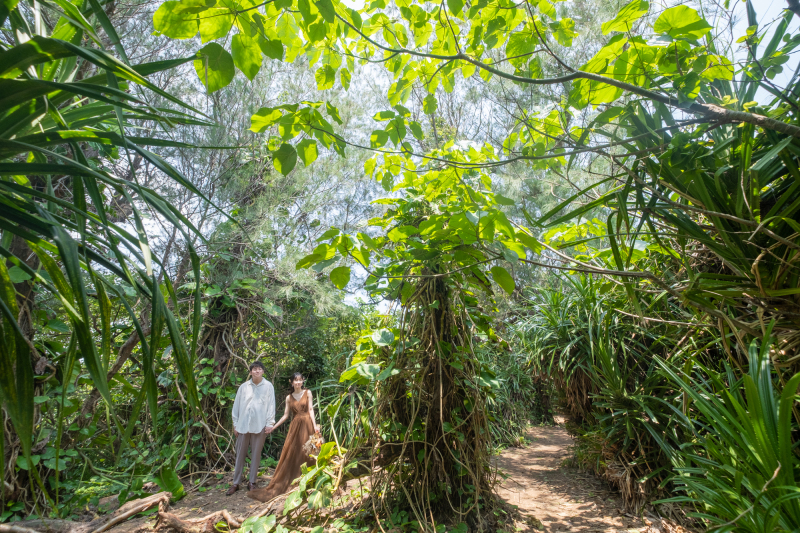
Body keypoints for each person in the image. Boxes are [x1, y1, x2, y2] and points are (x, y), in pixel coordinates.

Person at [247, 372, 319, 502]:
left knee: (310, 452)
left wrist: (315, 426)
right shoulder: (288, 397)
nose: (298, 383)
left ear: (303, 381)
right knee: (295, 453)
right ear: (291, 382)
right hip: (295, 427)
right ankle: (297, 481)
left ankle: (312, 480)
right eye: (295, 381)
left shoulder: (307, 393)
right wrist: (273, 427)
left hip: (308, 424)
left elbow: (311, 409)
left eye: (300, 380)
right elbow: (286, 416)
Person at [226, 361, 275, 496]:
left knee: (256, 455)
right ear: (250, 372)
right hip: (242, 425)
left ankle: (252, 482)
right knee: (240, 454)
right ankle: (236, 483)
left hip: (259, 425)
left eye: (259, 369)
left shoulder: (268, 386)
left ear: (263, 372)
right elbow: (236, 406)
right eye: (254, 369)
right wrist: (235, 424)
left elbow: (271, 405)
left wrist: (270, 423)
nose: (257, 371)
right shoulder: (244, 387)